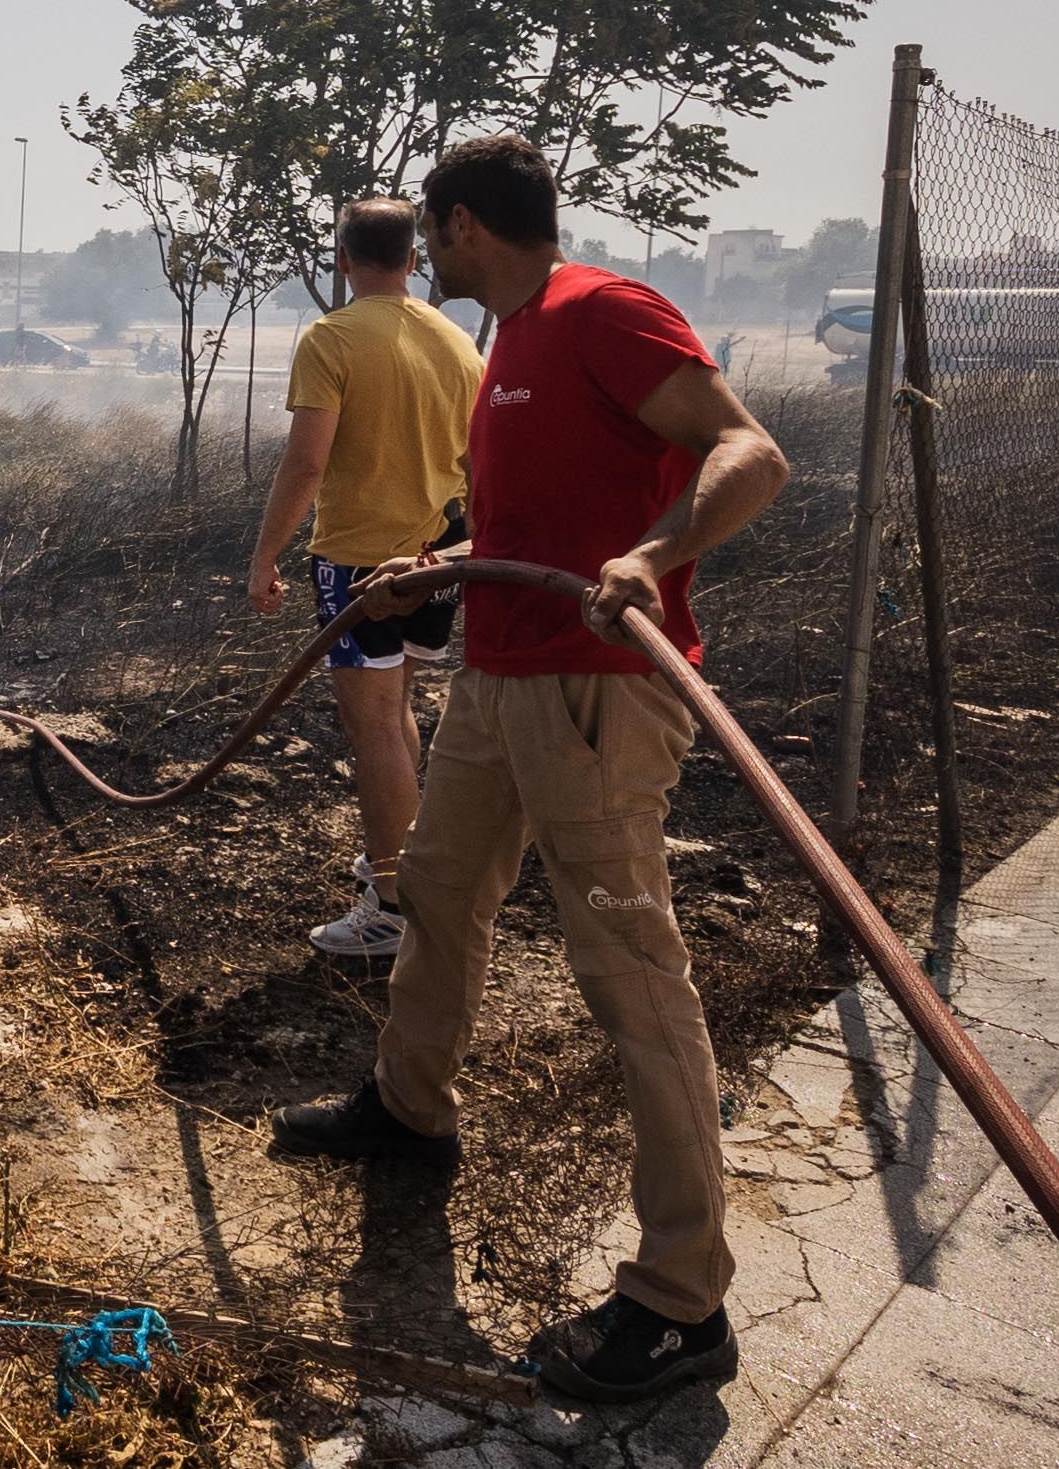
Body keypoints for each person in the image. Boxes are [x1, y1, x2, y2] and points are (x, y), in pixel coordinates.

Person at [269, 134, 789, 1409]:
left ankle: (682, 1299)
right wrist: (442, 565)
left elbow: (749, 452)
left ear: (460, 224)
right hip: (499, 679)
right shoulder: (504, 339)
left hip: (594, 691)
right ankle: (410, 1106)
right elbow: (534, 519)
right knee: (439, 888)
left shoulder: (600, 308)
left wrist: (650, 556)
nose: (424, 249)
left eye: (432, 229)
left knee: (628, 967)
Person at [243, 198, 480, 960]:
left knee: (372, 723)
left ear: (342, 258)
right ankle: (400, 857)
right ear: (412, 260)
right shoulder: (456, 340)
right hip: (440, 554)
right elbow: (477, 459)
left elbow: (305, 461)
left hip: (359, 562)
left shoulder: (331, 337)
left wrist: (263, 556)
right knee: (396, 705)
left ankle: (392, 907)